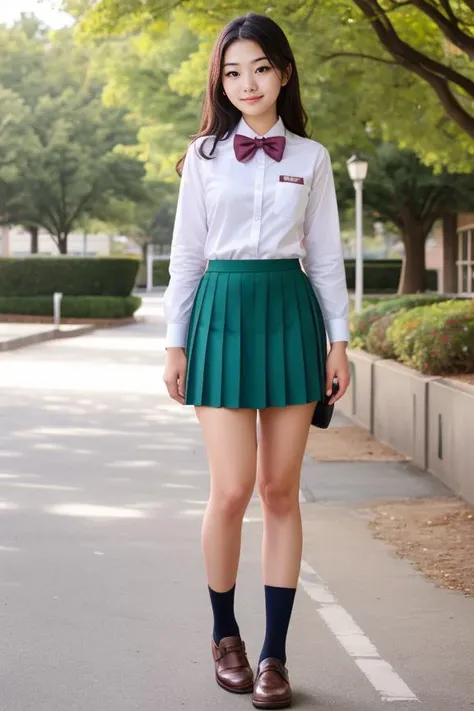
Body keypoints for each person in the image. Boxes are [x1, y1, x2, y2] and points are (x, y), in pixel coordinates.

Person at [163, 11, 350, 709]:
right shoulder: (205, 158)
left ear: (284, 72)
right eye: (232, 71)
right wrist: (174, 343)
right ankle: (226, 637)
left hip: (288, 311)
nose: (246, 82)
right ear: (221, 79)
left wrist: (339, 341)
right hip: (221, 313)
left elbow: (326, 258)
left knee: (279, 490)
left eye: (260, 68)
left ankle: (274, 655)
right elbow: (186, 256)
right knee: (233, 488)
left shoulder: (313, 157)